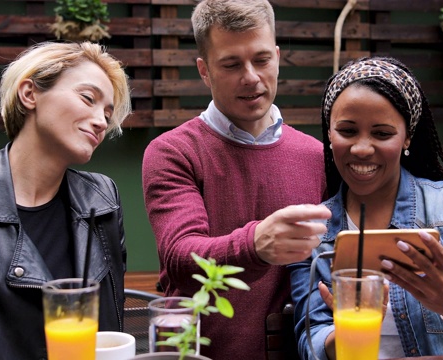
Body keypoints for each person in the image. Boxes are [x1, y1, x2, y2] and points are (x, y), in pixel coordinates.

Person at [289, 57, 443, 359]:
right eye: (347, 131)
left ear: (407, 137)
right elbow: (311, 344)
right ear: (330, 134)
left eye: (382, 133)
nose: (362, 148)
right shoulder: (311, 232)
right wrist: (350, 333)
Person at [141, 0, 331, 358]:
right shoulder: (172, 151)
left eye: (261, 60)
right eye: (231, 64)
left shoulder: (316, 156)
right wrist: (256, 243)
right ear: (204, 70)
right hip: (195, 352)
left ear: (276, 56)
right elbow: (181, 257)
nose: (251, 77)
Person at [0, 41, 132, 359]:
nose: (102, 121)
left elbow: (109, 329)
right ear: (29, 93)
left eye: (108, 113)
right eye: (88, 98)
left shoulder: (103, 199)